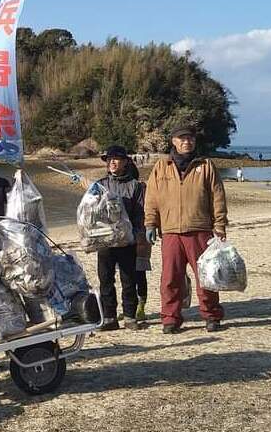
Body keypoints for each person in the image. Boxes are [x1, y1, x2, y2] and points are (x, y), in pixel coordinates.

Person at [144, 126, 228, 334]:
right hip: (171, 231)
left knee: (206, 277)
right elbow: (152, 198)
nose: (186, 142)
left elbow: (217, 196)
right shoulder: (161, 167)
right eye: (182, 138)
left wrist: (220, 224)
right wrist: (150, 223)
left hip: (200, 229)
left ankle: (211, 315)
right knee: (170, 278)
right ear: (173, 141)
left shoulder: (206, 165)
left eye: (189, 138)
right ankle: (170, 318)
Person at [94, 145, 147, 331]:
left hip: (127, 240)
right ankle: (109, 317)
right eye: (109, 159)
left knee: (129, 279)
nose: (112, 162)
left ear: (125, 162)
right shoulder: (99, 185)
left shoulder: (135, 186)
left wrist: (139, 234)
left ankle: (130, 316)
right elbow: (91, 211)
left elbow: (140, 213)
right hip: (105, 240)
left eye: (116, 159)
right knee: (106, 279)